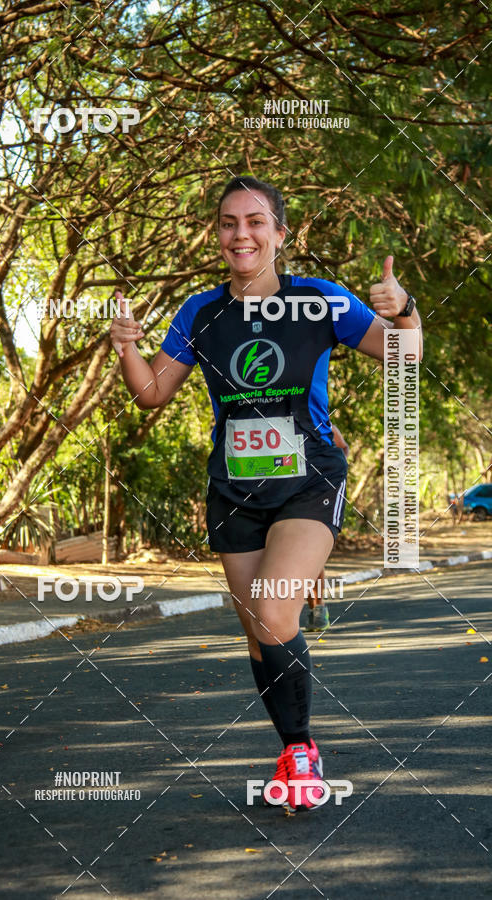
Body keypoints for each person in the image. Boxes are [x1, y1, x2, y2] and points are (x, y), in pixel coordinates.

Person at [110, 175, 422, 811]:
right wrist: (126, 348)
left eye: (255, 222)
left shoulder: (320, 301)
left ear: (281, 234)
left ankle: (303, 754)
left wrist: (406, 308)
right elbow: (151, 393)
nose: (241, 234)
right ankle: (291, 748)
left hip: (309, 479)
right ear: (218, 235)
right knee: (259, 628)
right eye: (229, 223)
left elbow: (404, 356)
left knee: (274, 611)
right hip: (234, 489)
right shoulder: (200, 313)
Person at [306, 424, 349, 632]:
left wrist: (336, 472)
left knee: (311, 554)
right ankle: (312, 608)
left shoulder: (322, 424)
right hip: (282, 494)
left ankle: (319, 607)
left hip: (317, 493)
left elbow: (343, 447)